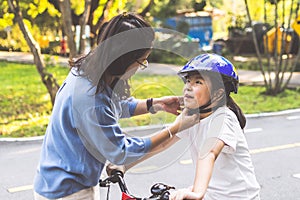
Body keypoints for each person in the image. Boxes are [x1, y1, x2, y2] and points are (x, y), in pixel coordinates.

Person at [33, 12, 199, 200]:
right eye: (142, 61)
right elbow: (120, 152)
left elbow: (110, 106)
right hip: (68, 192)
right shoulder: (90, 97)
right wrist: (174, 128)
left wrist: (155, 104)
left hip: (57, 180)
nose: (142, 66)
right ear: (124, 59)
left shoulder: (89, 70)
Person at [119, 53, 260, 200]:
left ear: (218, 94)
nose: (188, 87)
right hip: (212, 195)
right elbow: (162, 144)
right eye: (187, 81)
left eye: (198, 82)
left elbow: (209, 152)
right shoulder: (192, 117)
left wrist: (197, 193)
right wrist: (124, 165)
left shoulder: (223, 117)